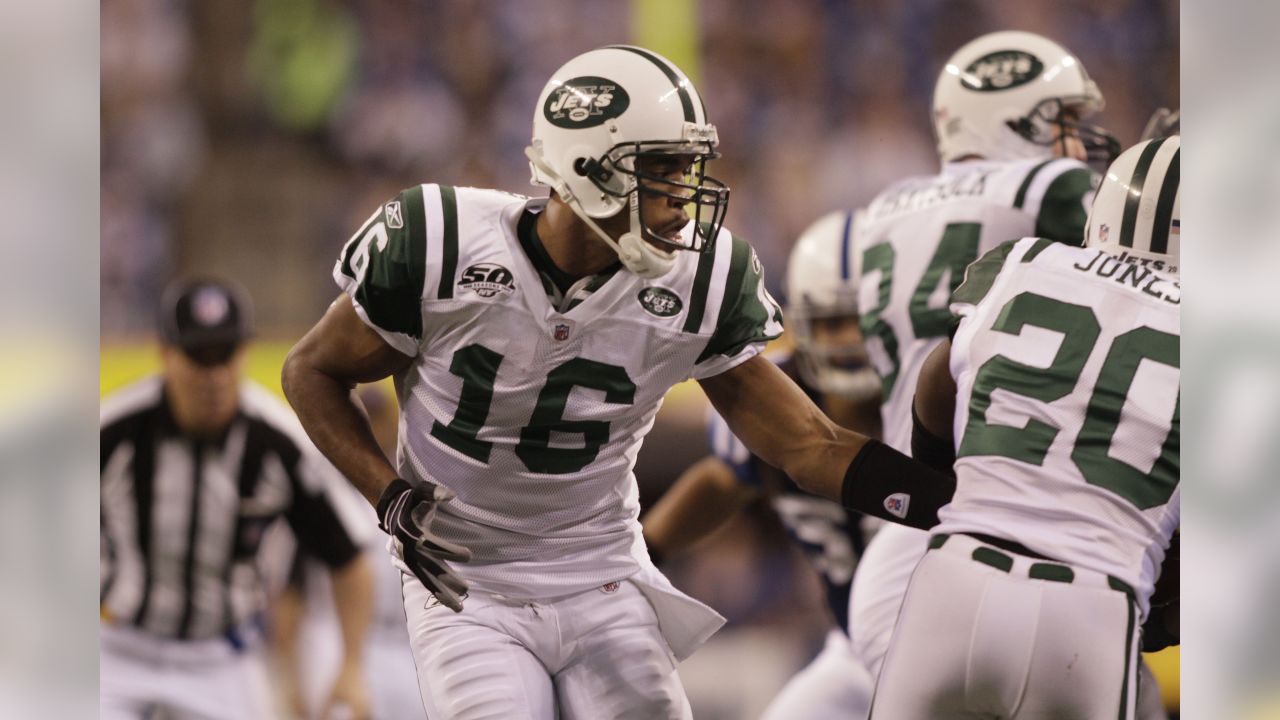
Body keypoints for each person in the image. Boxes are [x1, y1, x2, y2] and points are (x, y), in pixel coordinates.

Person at [281, 45, 955, 720]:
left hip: (601, 572)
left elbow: (808, 445)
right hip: (467, 583)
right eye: (662, 171)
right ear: (587, 169)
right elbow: (310, 371)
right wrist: (389, 496)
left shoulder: (697, 280)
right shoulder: (444, 245)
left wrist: (960, 509)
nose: (685, 200)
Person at [870, 135, 1180, 718]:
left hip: (955, 575)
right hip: (1095, 606)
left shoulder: (1021, 263)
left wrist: (947, 476)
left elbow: (936, 384)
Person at [642, 210, 882, 719]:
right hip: (858, 648)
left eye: (862, 322)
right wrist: (643, 556)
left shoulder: (932, 402)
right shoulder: (780, 398)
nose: (848, 341)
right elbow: (724, 479)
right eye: (832, 322)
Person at [100, 278, 375, 720]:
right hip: (117, 649)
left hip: (220, 657)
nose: (214, 376)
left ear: (243, 354)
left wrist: (351, 665)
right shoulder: (113, 432)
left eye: (225, 355)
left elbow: (348, 558)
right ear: (166, 355)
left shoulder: (278, 442)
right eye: (199, 357)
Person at [270, 384, 427, 720]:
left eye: (381, 418)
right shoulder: (323, 498)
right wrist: (290, 681)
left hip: (408, 644)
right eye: (366, 420)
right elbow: (292, 591)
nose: (375, 429)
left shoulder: (414, 498)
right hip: (334, 638)